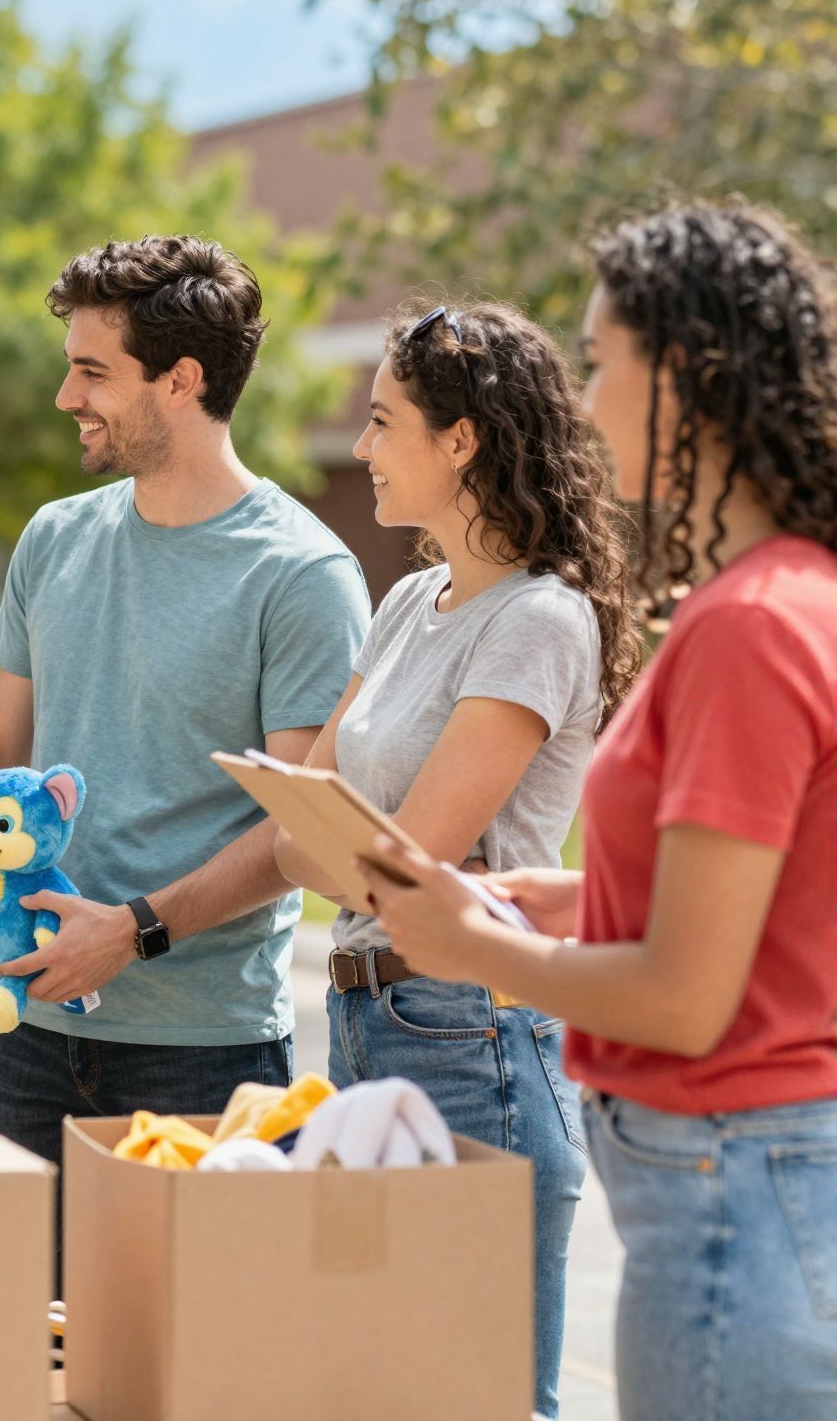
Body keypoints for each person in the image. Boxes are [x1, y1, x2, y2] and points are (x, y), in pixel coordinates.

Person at [361, 201, 837, 1421]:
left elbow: (685, 995)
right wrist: (583, 897)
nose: (578, 395)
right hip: (758, 1177)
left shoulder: (745, 626)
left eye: (596, 358)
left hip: (727, 1188)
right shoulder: (794, 594)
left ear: (680, 373)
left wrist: (475, 948)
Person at [0, 235, 371, 1174]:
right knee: (28, 1323)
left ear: (181, 380)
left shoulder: (301, 574)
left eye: (92, 372)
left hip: (207, 1054)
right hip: (33, 1033)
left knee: (192, 1327)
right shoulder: (53, 539)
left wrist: (134, 931)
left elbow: (302, 829)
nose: (65, 398)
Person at [272, 300, 641, 1418]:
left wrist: (343, 847)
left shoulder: (538, 620)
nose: (365, 446)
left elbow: (402, 858)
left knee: (485, 1393)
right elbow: (307, 841)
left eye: (383, 422)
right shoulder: (401, 602)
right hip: (360, 1017)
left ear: (461, 439)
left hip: (467, 1032)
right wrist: (343, 848)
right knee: (385, 1383)